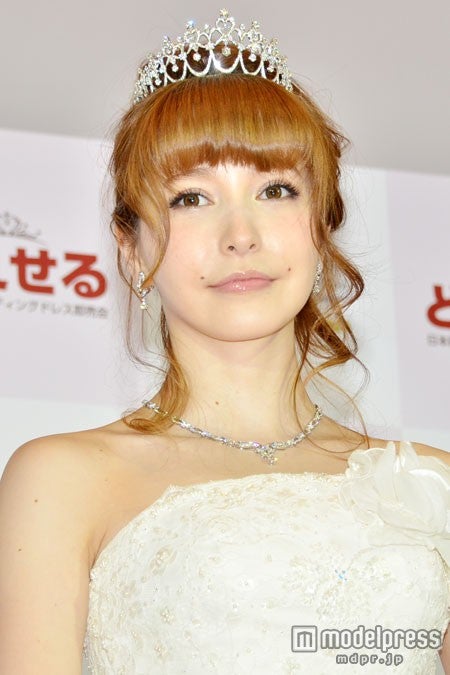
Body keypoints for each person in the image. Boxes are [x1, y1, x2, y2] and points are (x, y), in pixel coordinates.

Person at [0, 8, 449, 674]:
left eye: (276, 189)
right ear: (131, 249)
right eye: (190, 197)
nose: (241, 235)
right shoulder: (63, 478)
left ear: (321, 230)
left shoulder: (433, 481)